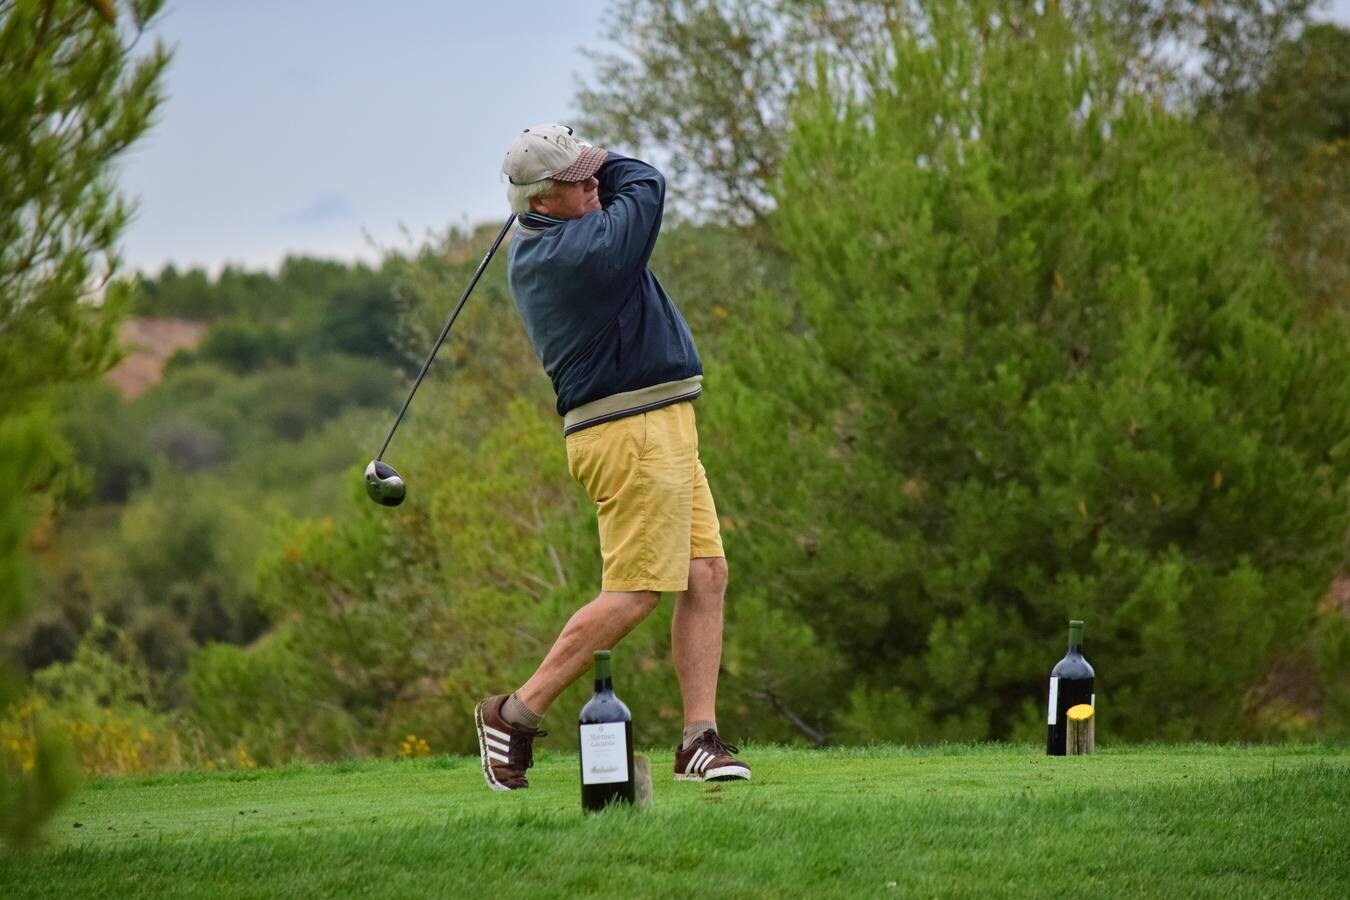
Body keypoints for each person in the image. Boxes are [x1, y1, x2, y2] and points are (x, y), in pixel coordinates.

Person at [473, 124, 750, 791]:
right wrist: (601, 155)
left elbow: (614, 184)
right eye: (578, 180)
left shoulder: (561, 231)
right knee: (635, 594)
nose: (596, 183)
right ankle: (513, 715)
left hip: (661, 422)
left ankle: (698, 741)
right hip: (628, 430)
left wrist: (572, 156)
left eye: (593, 172)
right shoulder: (577, 253)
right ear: (541, 202)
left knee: (706, 573)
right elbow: (646, 182)